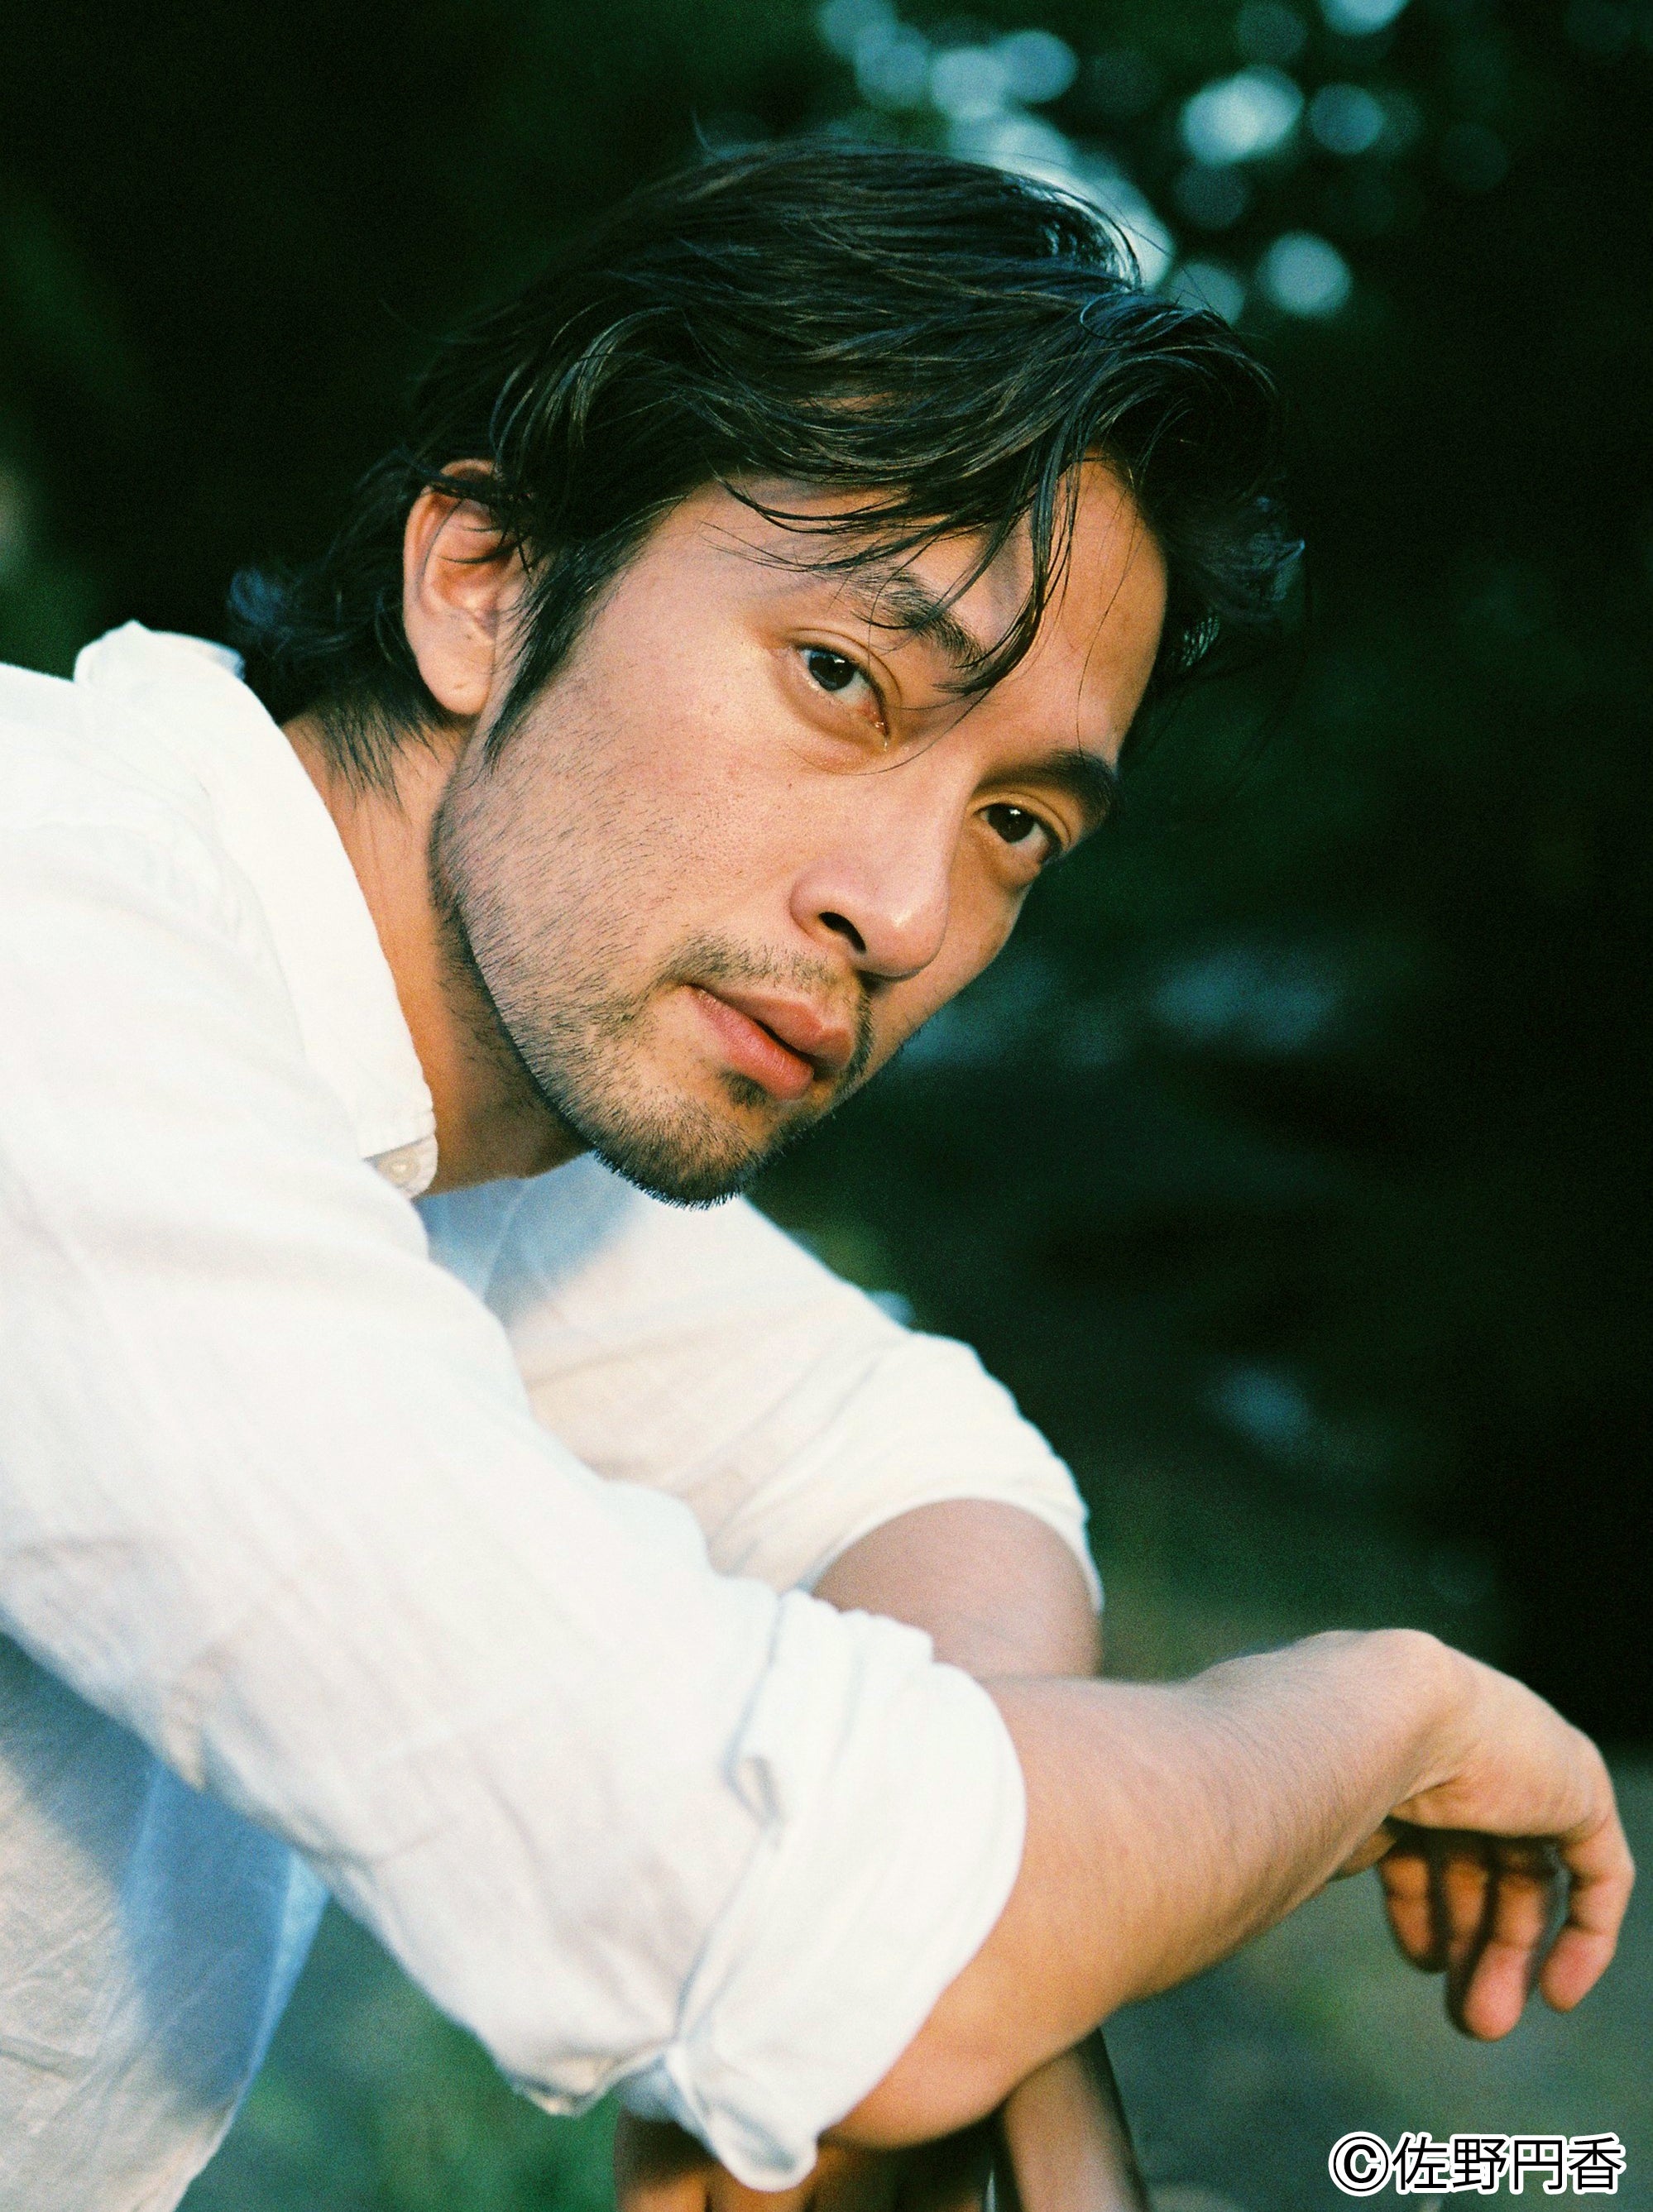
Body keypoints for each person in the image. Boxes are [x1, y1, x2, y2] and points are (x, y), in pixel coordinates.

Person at [0, 146, 1631, 2212]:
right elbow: (765, 1907)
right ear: (484, 581)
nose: (907, 909)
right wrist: (1370, 1720)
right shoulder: (52, 939)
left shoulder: (463, 1120)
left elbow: (907, 1457)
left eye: (1020, 823)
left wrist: (975, 1928)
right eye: (843, 677)